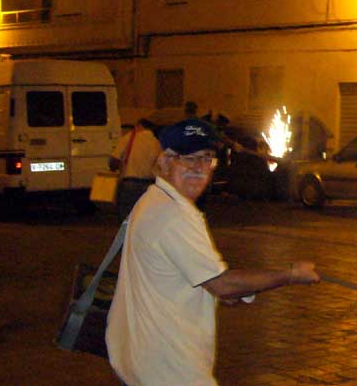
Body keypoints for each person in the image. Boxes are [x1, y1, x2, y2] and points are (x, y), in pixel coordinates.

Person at [106, 119, 319, 385]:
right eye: (188, 158)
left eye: (206, 158)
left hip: (145, 361)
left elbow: (192, 276)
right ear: (164, 162)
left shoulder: (156, 200)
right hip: (168, 369)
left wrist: (225, 289)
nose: (198, 168)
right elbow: (222, 284)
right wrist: (291, 274)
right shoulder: (173, 215)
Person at [110, 118, 162, 220]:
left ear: (139, 126)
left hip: (129, 184)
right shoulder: (157, 143)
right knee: (143, 219)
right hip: (149, 185)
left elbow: (114, 159)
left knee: (127, 219)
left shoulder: (129, 138)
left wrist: (114, 168)